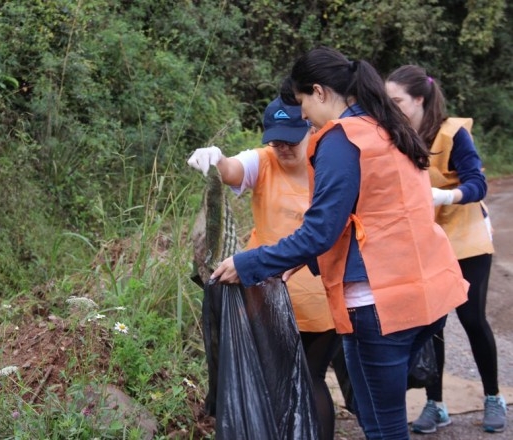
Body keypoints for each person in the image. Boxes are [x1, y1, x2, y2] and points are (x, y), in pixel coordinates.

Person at [210, 46, 469, 439]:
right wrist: (298, 263)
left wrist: (250, 263)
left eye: (302, 105)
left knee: (383, 427)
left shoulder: (341, 137)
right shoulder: (385, 126)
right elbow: (370, 216)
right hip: (428, 295)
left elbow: (321, 230)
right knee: (381, 415)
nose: (306, 119)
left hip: (379, 304)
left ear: (319, 92)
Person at [188, 94, 350, 440]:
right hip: (266, 294)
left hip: (321, 297)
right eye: (275, 140)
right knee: (274, 374)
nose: (282, 148)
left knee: (311, 376)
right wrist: (215, 159)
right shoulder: (262, 162)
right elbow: (233, 168)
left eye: (290, 139)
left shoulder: (330, 164)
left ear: (309, 127)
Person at [386, 64, 506, 434]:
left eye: (397, 101)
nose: (391, 107)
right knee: (431, 324)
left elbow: (477, 183)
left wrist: (446, 195)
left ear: (419, 99)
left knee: (471, 320)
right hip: (426, 242)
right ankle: (435, 405)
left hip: (466, 239)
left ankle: (493, 398)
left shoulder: (453, 134)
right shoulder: (396, 134)